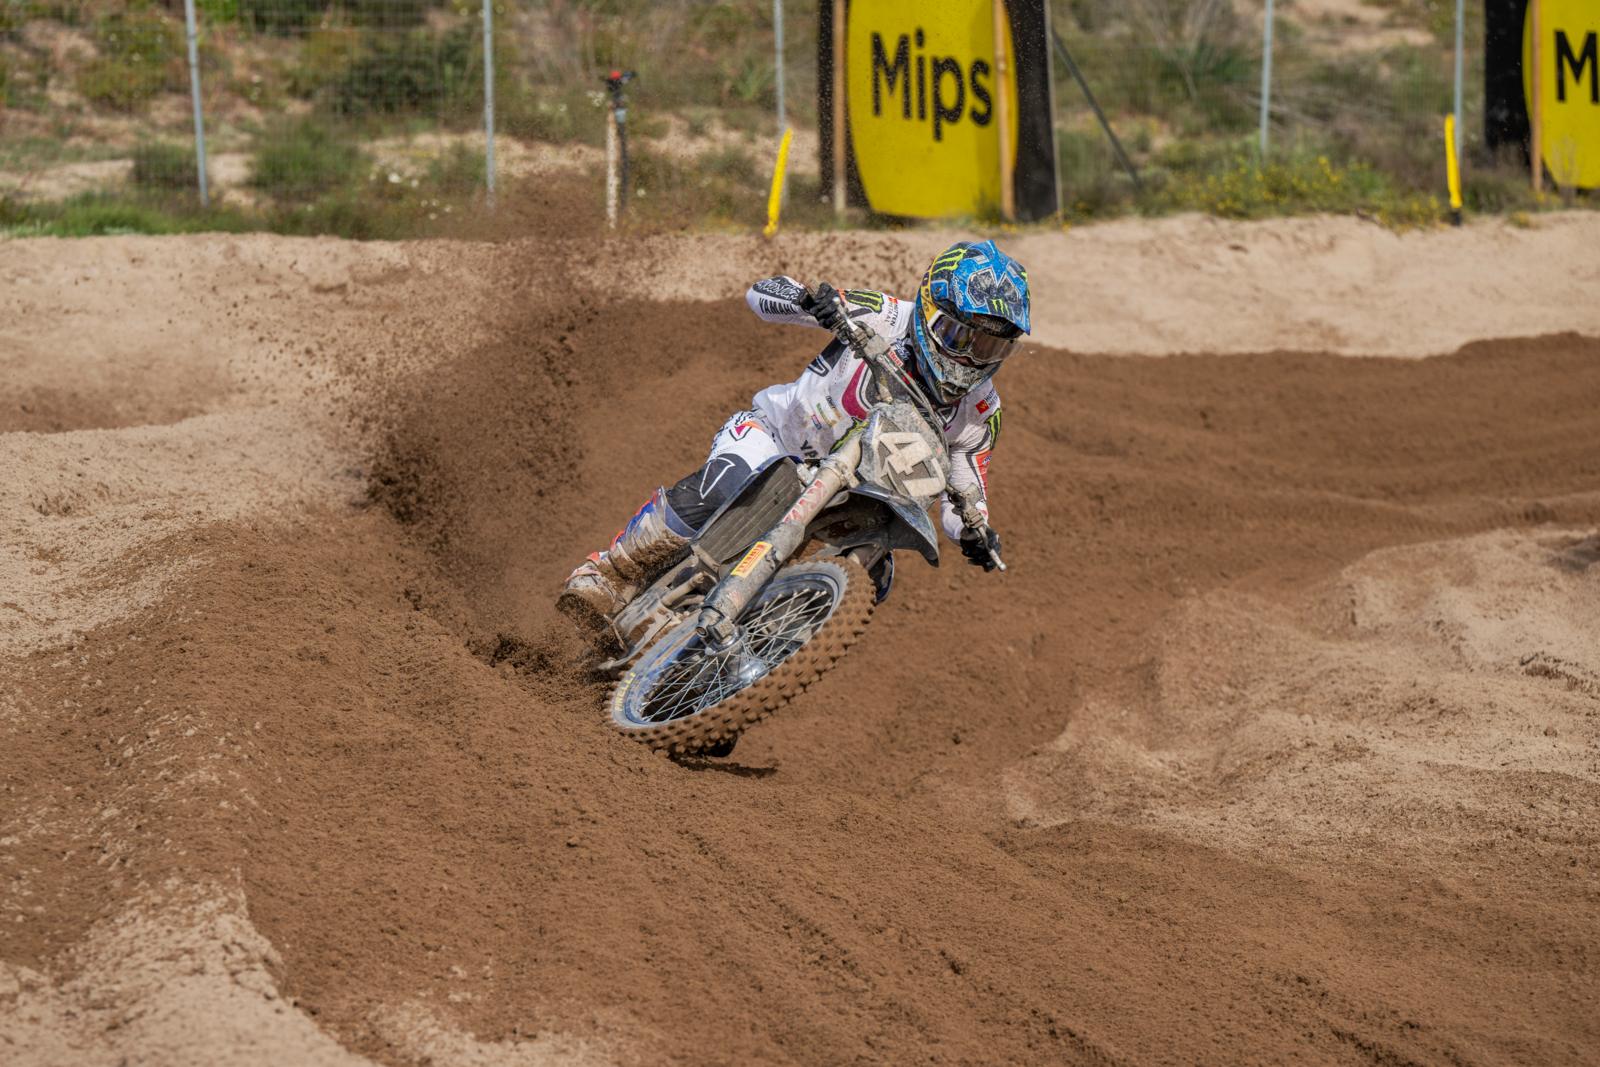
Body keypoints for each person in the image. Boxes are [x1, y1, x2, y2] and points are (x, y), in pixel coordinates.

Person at [556, 239, 1030, 639]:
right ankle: (608, 572)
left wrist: (974, 533)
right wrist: (806, 302)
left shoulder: (980, 411)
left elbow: (967, 490)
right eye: (960, 335)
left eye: (990, 346)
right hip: (776, 440)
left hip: (851, 499)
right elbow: (760, 295)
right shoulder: (884, 316)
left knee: (872, 576)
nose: (971, 357)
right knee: (728, 482)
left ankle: (740, 672)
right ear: (929, 310)